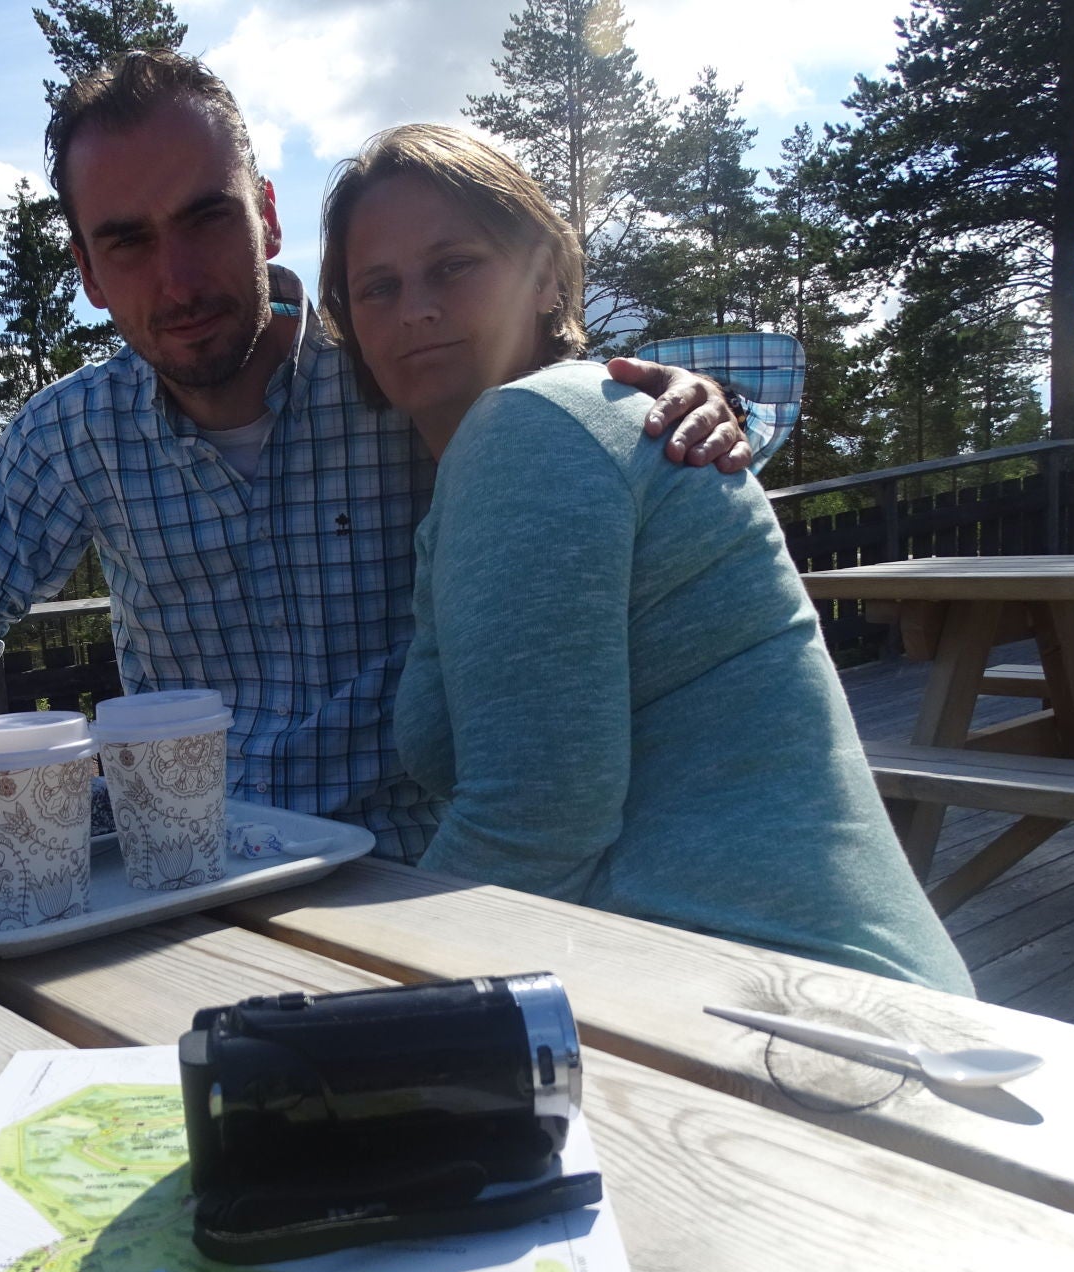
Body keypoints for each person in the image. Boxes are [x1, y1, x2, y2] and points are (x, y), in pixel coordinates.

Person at [0, 50, 785, 864]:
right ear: (90, 274)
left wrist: (691, 395)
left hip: (420, 871)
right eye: (129, 242)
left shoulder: (395, 360)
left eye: (207, 218)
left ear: (267, 216)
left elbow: (567, 408)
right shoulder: (72, 432)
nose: (178, 281)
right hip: (187, 882)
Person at [318, 123, 969, 992]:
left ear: (547, 275)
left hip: (792, 1007)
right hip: (741, 982)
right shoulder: (559, 424)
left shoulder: (527, 431)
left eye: (454, 266)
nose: (416, 310)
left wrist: (349, 1000)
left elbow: (532, 828)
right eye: (378, 287)